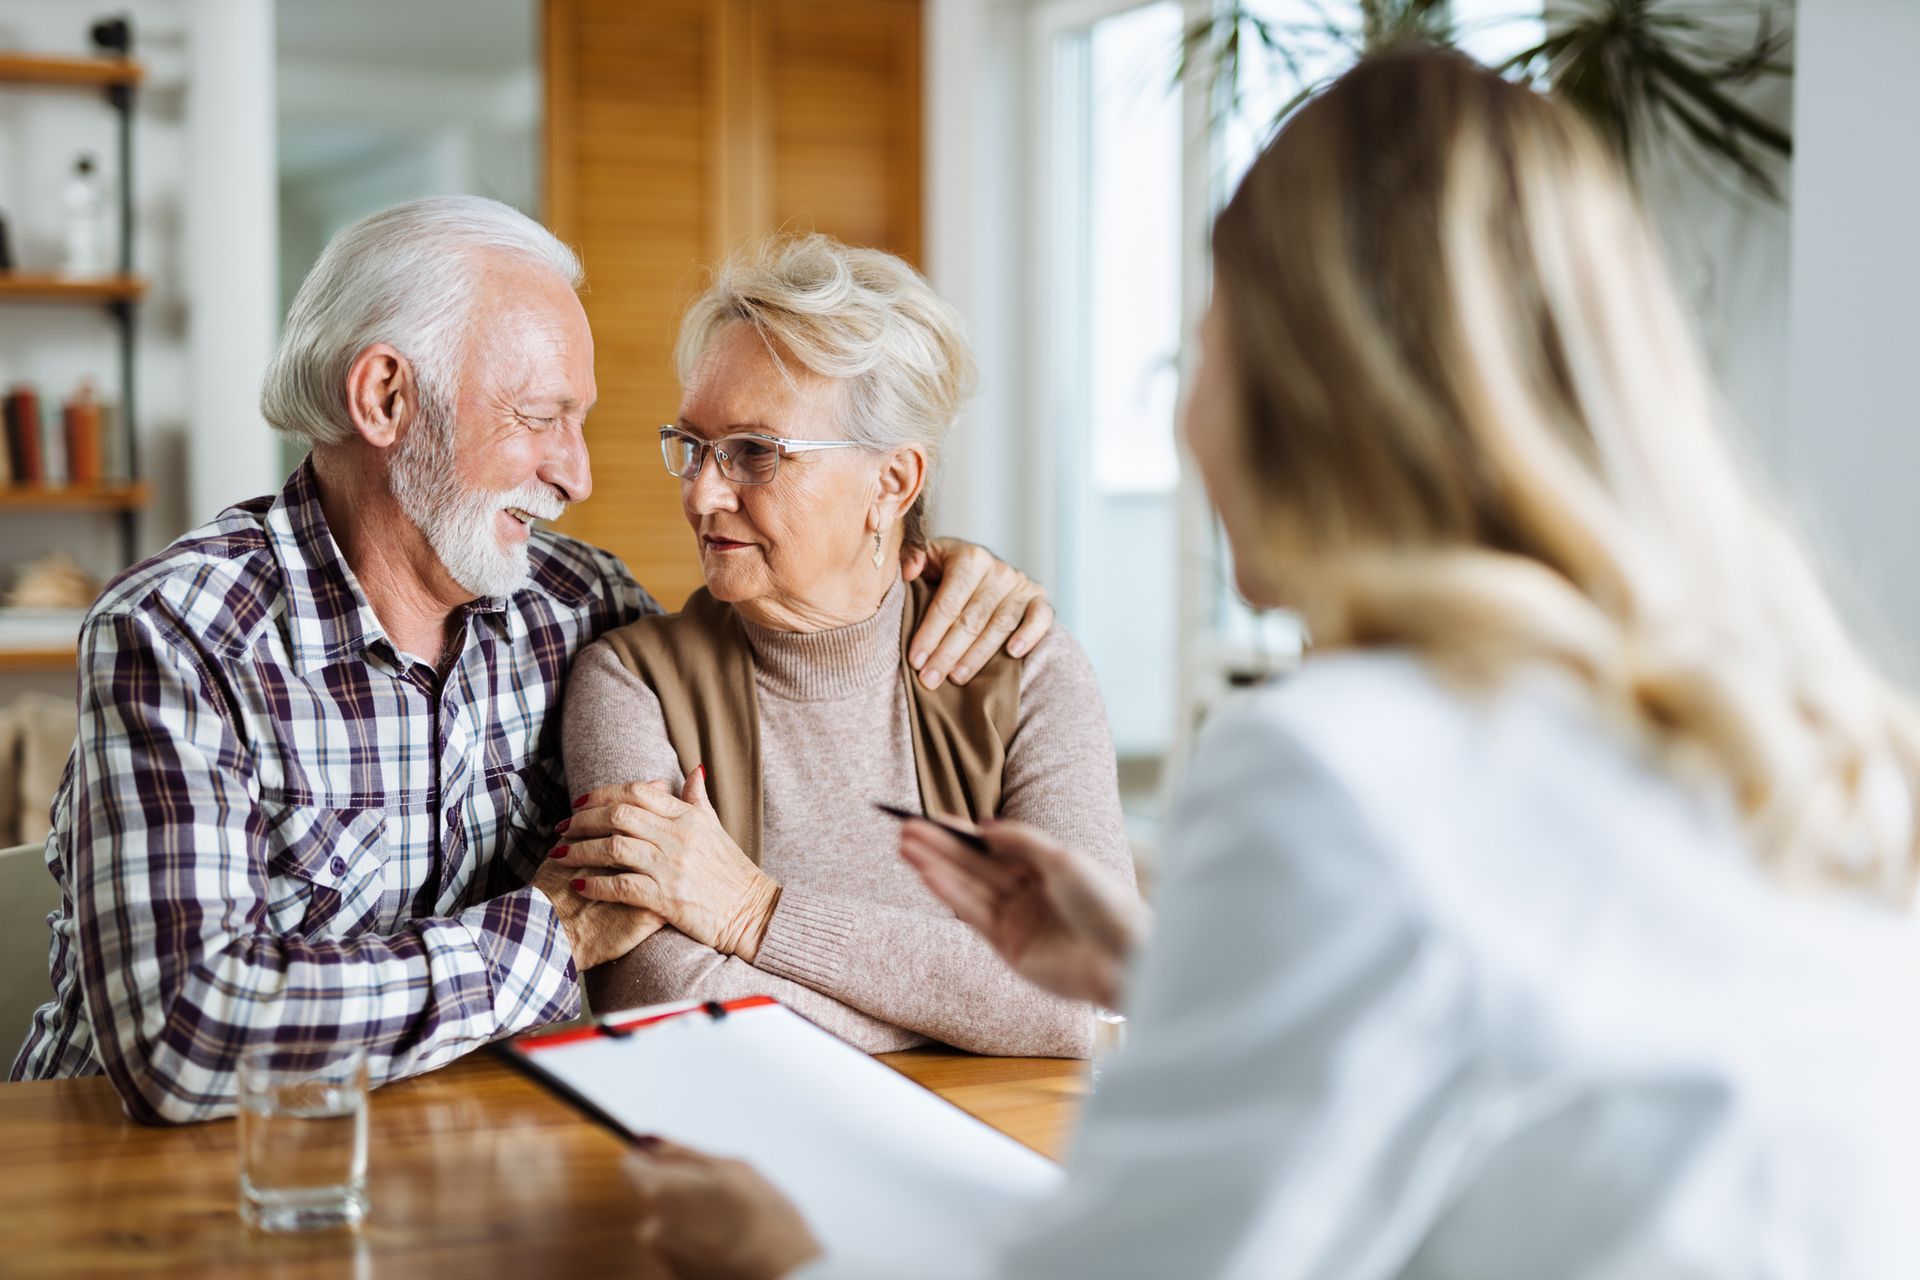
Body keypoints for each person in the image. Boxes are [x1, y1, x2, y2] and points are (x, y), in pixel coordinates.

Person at [615, 49, 1920, 1279]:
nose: (1185, 415)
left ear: (1316, 388)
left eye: (1211, 340)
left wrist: (806, 1248)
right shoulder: (1797, 735)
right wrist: (1154, 973)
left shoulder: (1339, 764)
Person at [8, 195, 1054, 1124]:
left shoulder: (580, 606)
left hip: (493, 1156)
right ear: (384, 400)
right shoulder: (183, 632)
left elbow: (788, 645)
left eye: (584, 421)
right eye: (539, 417)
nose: (578, 472)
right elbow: (184, 1038)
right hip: (166, 1183)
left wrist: (925, 568)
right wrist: (547, 937)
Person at [556, 234, 1136, 1055]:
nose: (702, 492)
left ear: (892, 482)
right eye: (693, 446)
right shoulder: (632, 681)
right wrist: (975, 1010)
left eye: (755, 453)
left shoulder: (1023, 666)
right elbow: (662, 1000)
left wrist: (753, 913)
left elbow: (1086, 986)